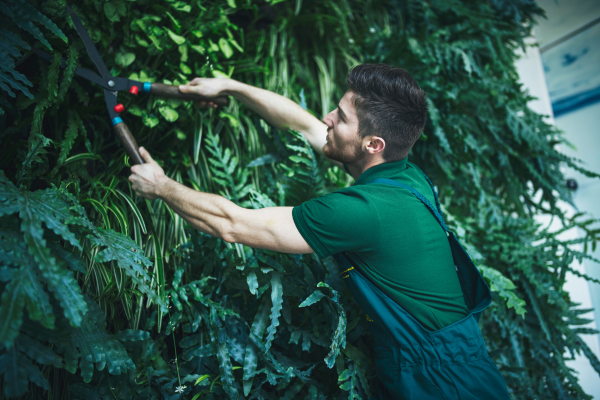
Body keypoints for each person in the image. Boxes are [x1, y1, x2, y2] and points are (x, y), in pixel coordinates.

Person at [129, 64, 510, 399]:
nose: (327, 118)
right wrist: (231, 87)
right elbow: (303, 124)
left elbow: (233, 224)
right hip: (460, 363)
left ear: (372, 144)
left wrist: (160, 186)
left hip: (444, 382)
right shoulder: (404, 175)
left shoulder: (361, 213)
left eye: (341, 118)